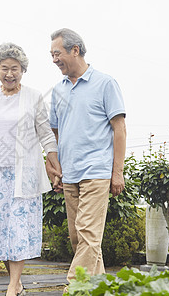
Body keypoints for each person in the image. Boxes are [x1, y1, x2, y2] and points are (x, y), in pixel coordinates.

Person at [0, 42, 61, 296]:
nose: (9, 74)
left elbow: (45, 134)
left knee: (18, 229)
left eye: (15, 69)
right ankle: (16, 283)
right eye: (4, 68)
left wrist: (54, 163)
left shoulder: (32, 96)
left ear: (23, 70)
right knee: (1, 230)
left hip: (23, 174)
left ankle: (13, 284)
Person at [46, 28, 127, 282]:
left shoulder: (105, 83)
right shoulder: (57, 91)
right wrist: (56, 170)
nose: (54, 59)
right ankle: (100, 288)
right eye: (51, 55)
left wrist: (117, 172)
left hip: (96, 172)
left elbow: (119, 129)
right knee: (79, 239)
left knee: (88, 236)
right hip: (70, 174)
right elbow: (56, 135)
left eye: (57, 53)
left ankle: (73, 289)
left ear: (75, 50)